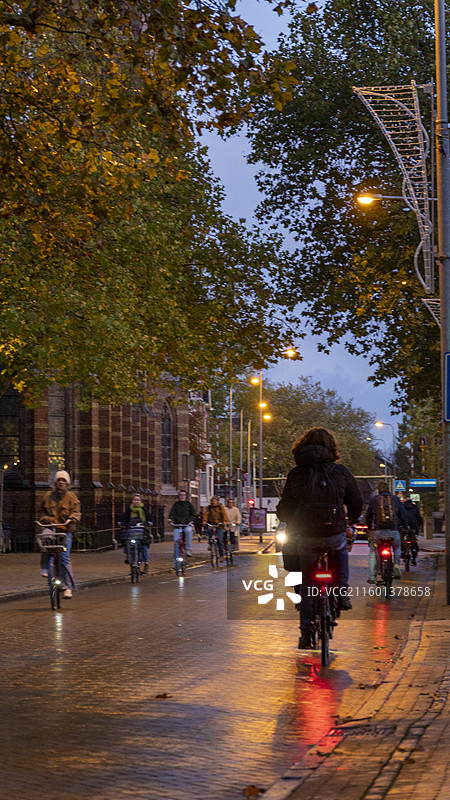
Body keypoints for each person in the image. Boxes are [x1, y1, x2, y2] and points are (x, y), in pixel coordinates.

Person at [276, 427, 363, 649]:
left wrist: (287, 518)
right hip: (334, 532)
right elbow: (356, 500)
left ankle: (306, 634)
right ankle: (341, 594)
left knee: (307, 585)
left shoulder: (297, 473)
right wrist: (350, 521)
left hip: (307, 536)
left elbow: (285, 506)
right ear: (331, 447)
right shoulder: (340, 472)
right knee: (340, 550)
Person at [39, 470, 81, 599]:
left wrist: (73, 518)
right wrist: (44, 519)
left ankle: (68, 587)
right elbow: (41, 512)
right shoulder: (48, 496)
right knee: (44, 540)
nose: (61, 482)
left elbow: (76, 512)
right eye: (59, 480)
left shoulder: (71, 497)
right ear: (55, 483)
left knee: (64, 558)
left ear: (67, 483)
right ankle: (45, 568)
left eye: (63, 480)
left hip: (64, 531)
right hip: (51, 528)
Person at [365, 481, 409, 582]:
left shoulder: (374, 500)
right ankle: (396, 564)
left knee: (376, 551)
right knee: (397, 547)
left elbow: (368, 516)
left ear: (378, 490)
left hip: (379, 531)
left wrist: (369, 527)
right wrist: (405, 526)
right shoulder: (395, 499)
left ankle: (379, 573)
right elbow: (403, 514)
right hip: (393, 530)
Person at [119, 492, 152, 573]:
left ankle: (146, 562)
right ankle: (128, 556)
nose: (136, 501)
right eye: (135, 500)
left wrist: (148, 523)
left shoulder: (144, 510)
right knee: (126, 541)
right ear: (132, 501)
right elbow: (124, 518)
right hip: (131, 531)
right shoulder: (129, 510)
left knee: (144, 546)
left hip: (142, 532)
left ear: (141, 501)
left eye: (138, 500)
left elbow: (149, 518)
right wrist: (122, 523)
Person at [168, 489, 197, 568]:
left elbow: (193, 514)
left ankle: (188, 549)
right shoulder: (176, 505)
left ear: (185, 496)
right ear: (179, 496)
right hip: (177, 525)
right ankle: (175, 562)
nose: (182, 497)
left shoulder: (188, 504)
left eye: (184, 495)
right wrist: (170, 519)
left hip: (186, 524)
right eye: (181, 495)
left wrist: (191, 521)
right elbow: (171, 514)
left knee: (188, 531)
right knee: (176, 542)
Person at [203, 495, 228, 561]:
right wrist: (204, 521)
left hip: (219, 524)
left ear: (217, 501)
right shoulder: (209, 508)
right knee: (209, 532)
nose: (213, 502)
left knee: (220, 539)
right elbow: (206, 514)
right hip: (211, 523)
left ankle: (221, 555)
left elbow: (224, 514)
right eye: (212, 501)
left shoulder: (220, 507)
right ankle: (210, 544)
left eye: (215, 501)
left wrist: (224, 521)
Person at [401, 496, 423, 565]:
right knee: (414, 541)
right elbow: (419, 518)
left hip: (404, 525)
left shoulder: (402, 507)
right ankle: (414, 557)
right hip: (413, 526)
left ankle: (403, 552)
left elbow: (399, 516)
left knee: (401, 539)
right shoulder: (415, 508)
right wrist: (418, 527)